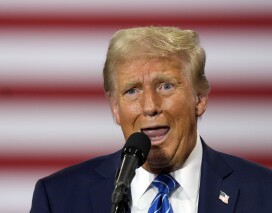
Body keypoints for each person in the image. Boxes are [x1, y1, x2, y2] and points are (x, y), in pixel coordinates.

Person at [30, 26, 272, 213]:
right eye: (132, 91)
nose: (150, 107)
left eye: (166, 86)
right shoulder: (59, 198)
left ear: (199, 98)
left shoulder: (264, 192)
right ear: (115, 107)